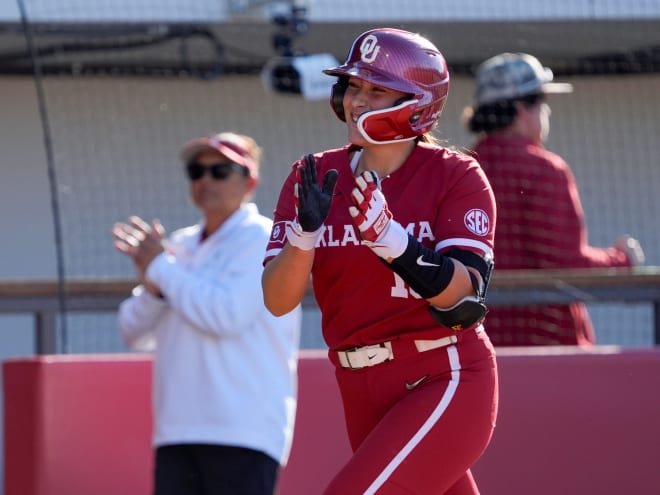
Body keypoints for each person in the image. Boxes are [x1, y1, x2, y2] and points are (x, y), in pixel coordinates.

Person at [262, 28, 498, 495]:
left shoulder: (456, 174)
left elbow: (467, 295)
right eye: (353, 86)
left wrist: (391, 240)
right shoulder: (312, 175)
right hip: (358, 384)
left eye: (376, 90)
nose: (356, 101)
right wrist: (303, 235)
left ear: (417, 101)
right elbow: (276, 300)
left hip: (443, 372)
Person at [112, 132, 301, 495]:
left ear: (251, 181)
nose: (205, 180)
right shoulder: (179, 245)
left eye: (221, 170)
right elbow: (132, 333)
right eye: (196, 170)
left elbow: (226, 316)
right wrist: (155, 288)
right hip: (176, 430)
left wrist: (161, 270)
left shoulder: (264, 238)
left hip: (244, 431)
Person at [463, 52, 645, 346]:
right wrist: (621, 260)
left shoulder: (460, 167)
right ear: (523, 107)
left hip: (474, 346)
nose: (546, 113)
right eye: (542, 103)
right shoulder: (544, 170)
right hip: (547, 345)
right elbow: (567, 264)